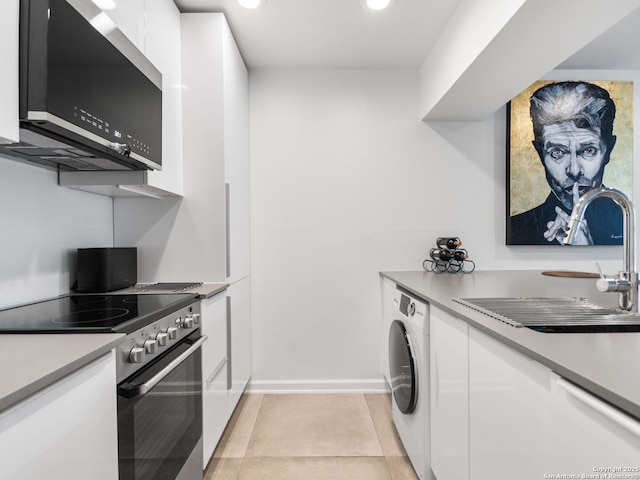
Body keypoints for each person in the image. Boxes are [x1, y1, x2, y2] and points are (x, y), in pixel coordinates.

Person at [509, 81, 623, 245]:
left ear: (609, 150)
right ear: (540, 154)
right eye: (557, 152)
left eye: (588, 150)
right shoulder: (516, 229)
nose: (574, 170)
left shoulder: (630, 225)